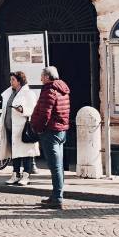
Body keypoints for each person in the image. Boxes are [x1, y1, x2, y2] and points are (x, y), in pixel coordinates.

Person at [30, 66, 70, 210]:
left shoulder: (49, 90)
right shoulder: (63, 89)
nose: (40, 79)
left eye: (42, 76)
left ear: (47, 77)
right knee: (58, 166)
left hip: (51, 132)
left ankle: (57, 198)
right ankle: (55, 195)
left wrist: (38, 129)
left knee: (55, 167)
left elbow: (44, 114)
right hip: (61, 131)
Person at [0, 71, 40, 185]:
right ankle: (15, 174)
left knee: (26, 153)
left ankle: (26, 175)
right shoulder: (10, 92)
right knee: (15, 152)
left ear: (19, 81)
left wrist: (22, 109)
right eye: (11, 80)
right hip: (11, 128)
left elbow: (33, 109)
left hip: (22, 128)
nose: (11, 82)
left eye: (13, 80)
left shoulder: (28, 93)